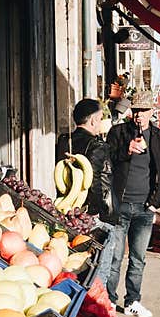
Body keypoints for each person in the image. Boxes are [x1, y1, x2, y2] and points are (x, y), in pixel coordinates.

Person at [104, 90, 160, 317]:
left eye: (143, 111)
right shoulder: (119, 133)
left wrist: (155, 203)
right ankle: (109, 300)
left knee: (138, 257)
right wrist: (126, 150)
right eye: (136, 111)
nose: (139, 116)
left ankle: (132, 300)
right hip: (120, 205)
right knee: (114, 257)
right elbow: (107, 159)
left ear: (151, 112)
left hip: (144, 208)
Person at [55, 98, 115, 282]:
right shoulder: (97, 146)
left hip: (67, 208)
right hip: (92, 215)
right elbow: (96, 183)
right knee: (99, 270)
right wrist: (99, 213)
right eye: (99, 118)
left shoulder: (65, 141)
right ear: (93, 121)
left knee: (76, 266)